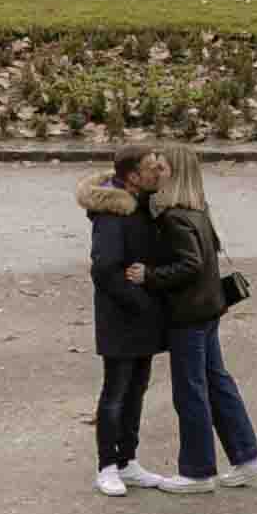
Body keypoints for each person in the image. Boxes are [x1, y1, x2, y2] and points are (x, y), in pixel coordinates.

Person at [136, 144, 257, 490]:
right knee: (216, 382)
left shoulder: (175, 217)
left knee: (190, 391)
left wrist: (149, 276)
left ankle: (197, 471)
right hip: (209, 311)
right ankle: (248, 457)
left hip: (189, 317)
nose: (155, 174)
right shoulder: (198, 210)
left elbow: (190, 264)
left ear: (175, 174)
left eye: (161, 168)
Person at [79, 152, 193, 495]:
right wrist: (140, 302)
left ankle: (127, 461)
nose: (158, 172)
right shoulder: (113, 214)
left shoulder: (143, 204)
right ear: (131, 176)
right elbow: (104, 269)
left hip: (143, 317)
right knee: (115, 392)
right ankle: (107, 466)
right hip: (121, 318)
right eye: (151, 167)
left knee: (137, 390)